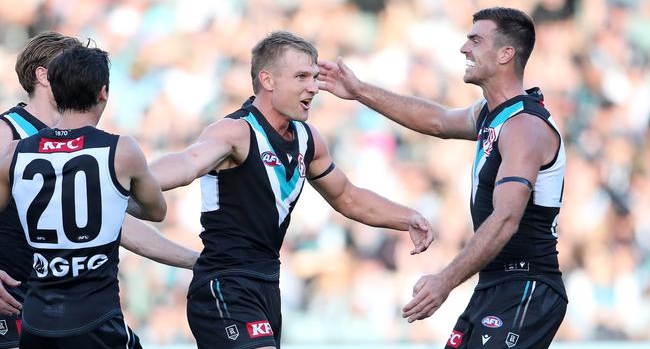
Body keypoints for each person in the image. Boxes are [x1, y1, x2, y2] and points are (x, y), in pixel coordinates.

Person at [147, 31, 435, 349]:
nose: (312, 87)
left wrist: (406, 217)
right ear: (267, 80)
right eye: (301, 77)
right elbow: (187, 163)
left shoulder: (308, 140)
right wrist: (126, 178)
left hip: (268, 287)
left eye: (313, 77)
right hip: (225, 284)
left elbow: (348, 197)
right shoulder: (236, 131)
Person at [318, 7, 567, 348]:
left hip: (527, 284)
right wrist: (359, 91)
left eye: (476, 40)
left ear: (506, 53)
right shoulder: (491, 115)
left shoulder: (524, 126)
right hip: (497, 283)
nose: (465, 48)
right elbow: (436, 121)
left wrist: (445, 281)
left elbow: (507, 218)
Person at [0, 31, 199, 349]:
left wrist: (195, 260)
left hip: (52, 308)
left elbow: (118, 223)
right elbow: (150, 210)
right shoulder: (8, 134)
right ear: (43, 75)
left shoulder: (75, 143)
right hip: (14, 301)